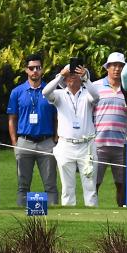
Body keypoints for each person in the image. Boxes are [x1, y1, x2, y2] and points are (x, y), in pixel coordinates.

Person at [43, 63, 99, 207]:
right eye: (69, 75)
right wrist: (60, 75)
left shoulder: (87, 93)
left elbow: (96, 96)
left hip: (87, 146)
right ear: (65, 79)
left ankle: (93, 217)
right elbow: (45, 92)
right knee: (67, 188)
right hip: (65, 145)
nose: (72, 76)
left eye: (75, 74)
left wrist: (85, 77)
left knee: (90, 188)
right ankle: (69, 216)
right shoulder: (59, 94)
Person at [7, 53, 58, 206]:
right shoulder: (17, 92)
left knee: (50, 185)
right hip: (25, 141)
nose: (35, 71)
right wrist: (15, 142)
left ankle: (55, 215)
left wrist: (56, 138)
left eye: (38, 67)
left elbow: (57, 117)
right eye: (31, 68)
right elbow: (12, 119)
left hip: (46, 142)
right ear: (26, 70)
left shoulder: (50, 91)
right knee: (23, 185)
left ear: (42, 69)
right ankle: (21, 217)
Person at [93, 52, 127, 206]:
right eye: (113, 65)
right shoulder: (95, 86)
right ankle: (91, 213)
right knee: (95, 183)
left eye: (120, 66)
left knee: (122, 184)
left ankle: (123, 213)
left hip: (122, 145)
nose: (117, 69)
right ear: (107, 67)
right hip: (99, 143)